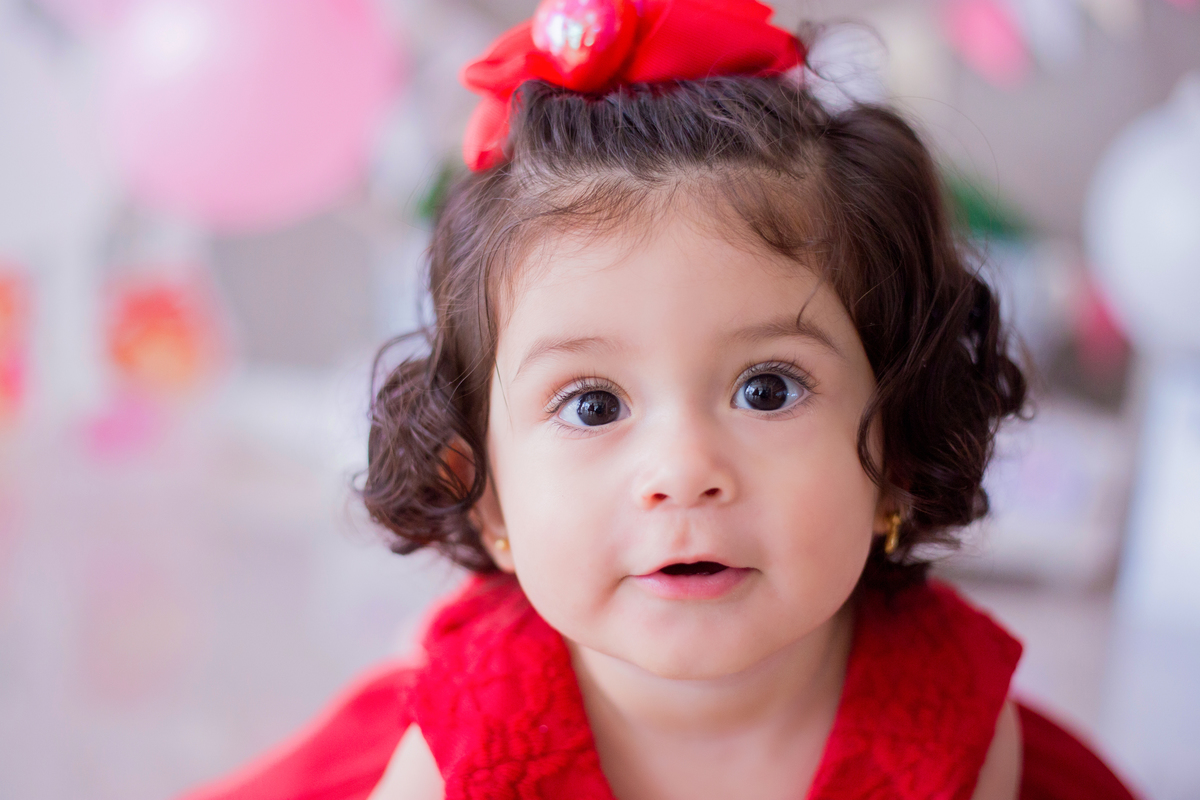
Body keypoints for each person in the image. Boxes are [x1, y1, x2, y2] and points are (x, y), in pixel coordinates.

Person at [179, 1, 1141, 799]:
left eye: (768, 389)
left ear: (896, 449)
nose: (684, 471)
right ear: (487, 494)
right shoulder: (466, 749)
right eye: (594, 405)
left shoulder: (950, 732)